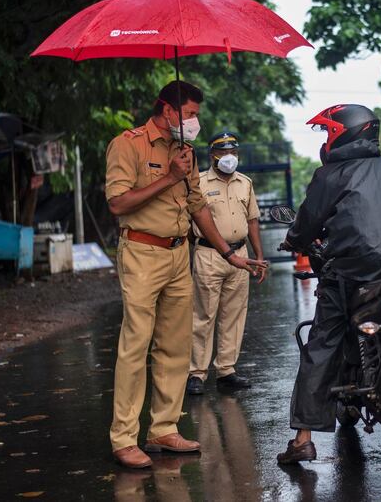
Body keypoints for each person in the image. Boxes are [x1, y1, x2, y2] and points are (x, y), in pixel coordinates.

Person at [105, 80, 267, 469]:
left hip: (181, 254)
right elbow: (117, 202)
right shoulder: (127, 144)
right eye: (190, 113)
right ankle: (124, 438)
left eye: (196, 114)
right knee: (136, 344)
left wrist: (230, 254)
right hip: (142, 251)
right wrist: (169, 177)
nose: (194, 121)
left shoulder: (186, 153)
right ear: (167, 110)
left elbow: (198, 207)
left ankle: (163, 428)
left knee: (175, 345)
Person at [275, 104, 381, 464]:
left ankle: (302, 439)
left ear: (340, 134)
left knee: (322, 342)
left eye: (327, 133)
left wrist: (295, 241)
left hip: (350, 274)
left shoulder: (330, 175)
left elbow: (307, 224)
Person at [186, 131, 267, 395]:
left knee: (234, 315)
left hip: (241, 256)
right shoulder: (198, 182)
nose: (228, 157)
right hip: (209, 255)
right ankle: (197, 373)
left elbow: (253, 220)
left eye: (233, 152)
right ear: (212, 156)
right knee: (203, 315)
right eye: (222, 153)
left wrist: (259, 256)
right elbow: (191, 222)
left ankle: (226, 370)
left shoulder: (245, 183)